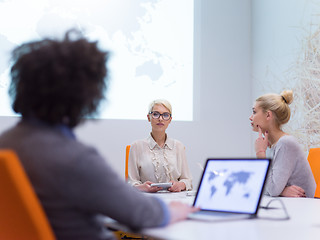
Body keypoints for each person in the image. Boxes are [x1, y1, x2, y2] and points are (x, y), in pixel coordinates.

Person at [0, 30, 198, 240]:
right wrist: (175, 210)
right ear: (85, 95)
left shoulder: (6, 143)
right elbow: (139, 212)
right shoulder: (74, 159)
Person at [249, 90, 316, 198]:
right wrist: (282, 191)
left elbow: (273, 189)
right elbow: (259, 186)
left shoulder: (286, 143)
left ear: (268, 115)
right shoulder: (271, 145)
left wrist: (260, 153)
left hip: (306, 208)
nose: (250, 117)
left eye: (254, 112)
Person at [128, 99, 193, 193]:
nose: (160, 119)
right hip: (148, 199)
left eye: (165, 115)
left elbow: (187, 180)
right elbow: (131, 183)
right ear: (149, 117)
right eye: (156, 114)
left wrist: (180, 185)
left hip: (175, 198)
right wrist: (142, 187)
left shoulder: (178, 146)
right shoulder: (136, 146)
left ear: (170, 119)